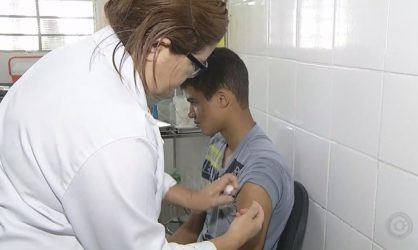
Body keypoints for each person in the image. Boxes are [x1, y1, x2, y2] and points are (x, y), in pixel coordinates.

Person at [0, 1, 264, 250]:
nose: (189, 78)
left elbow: (116, 177)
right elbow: (114, 163)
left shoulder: (78, 59)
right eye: (195, 65)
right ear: (160, 45)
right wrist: (230, 241)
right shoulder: (116, 133)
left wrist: (195, 199)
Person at [169, 48, 294, 249]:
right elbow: (193, 227)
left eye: (194, 102)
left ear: (222, 99)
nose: (191, 114)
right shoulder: (217, 144)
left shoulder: (261, 169)